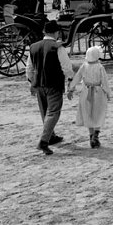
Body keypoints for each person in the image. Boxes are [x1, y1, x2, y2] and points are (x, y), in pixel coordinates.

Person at [26, 19, 74, 155]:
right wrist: (70, 79)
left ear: (44, 32)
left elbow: (29, 68)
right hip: (54, 84)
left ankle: (51, 136)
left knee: (44, 111)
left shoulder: (33, 47)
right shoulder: (58, 47)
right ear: (56, 32)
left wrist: (31, 83)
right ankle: (44, 141)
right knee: (53, 112)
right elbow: (66, 67)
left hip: (39, 84)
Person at [67, 46, 111, 149]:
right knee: (98, 113)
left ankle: (91, 135)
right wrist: (108, 92)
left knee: (88, 114)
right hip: (98, 92)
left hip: (86, 92)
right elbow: (104, 81)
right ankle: (96, 135)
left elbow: (77, 77)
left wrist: (71, 88)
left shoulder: (84, 66)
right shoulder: (100, 67)